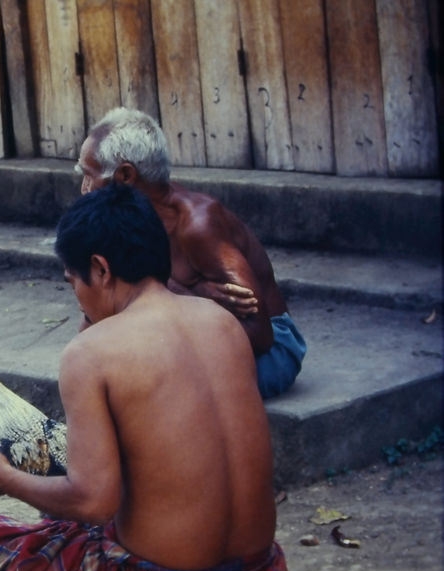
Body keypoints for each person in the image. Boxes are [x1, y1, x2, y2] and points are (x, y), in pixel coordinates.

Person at [0, 184, 289, 571]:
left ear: (101, 269)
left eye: (73, 282)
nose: (78, 299)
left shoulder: (90, 354)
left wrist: (4, 478)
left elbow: (94, 502)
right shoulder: (222, 322)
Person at [75, 107, 305, 399]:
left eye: (89, 176)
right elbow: (94, 321)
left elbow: (260, 336)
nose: (84, 189)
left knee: (146, 383)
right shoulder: (121, 220)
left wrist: (179, 298)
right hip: (206, 336)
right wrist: (193, 294)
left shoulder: (198, 224)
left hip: (272, 352)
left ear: (126, 176)